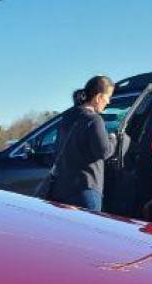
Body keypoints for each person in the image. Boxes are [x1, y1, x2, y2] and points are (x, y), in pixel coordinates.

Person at [45, 75, 117, 211]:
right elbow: (104, 152)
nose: (108, 102)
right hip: (85, 190)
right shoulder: (94, 120)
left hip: (61, 189)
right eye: (108, 97)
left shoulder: (67, 117)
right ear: (98, 97)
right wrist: (113, 139)